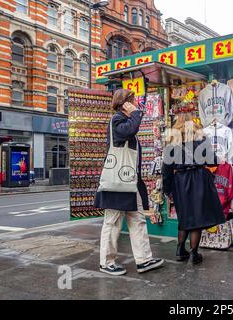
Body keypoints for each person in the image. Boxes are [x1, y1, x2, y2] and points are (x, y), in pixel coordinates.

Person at [95, 89, 164, 276]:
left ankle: (144, 260)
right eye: (132, 100)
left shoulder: (125, 120)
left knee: (138, 220)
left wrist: (134, 114)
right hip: (118, 183)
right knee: (113, 222)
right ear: (124, 103)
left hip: (130, 183)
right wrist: (135, 113)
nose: (136, 103)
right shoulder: (117, 120)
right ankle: (106, 262)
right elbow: (130, 129)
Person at [162, 113, 225, 265]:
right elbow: (212, 161)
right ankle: (194, 253)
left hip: (180, 181)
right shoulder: (201, 139)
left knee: (185, 216)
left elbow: (166, 170)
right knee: (197, 217)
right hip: (198, 179)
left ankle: (179, 250)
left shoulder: (172, 143)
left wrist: (168, 189)